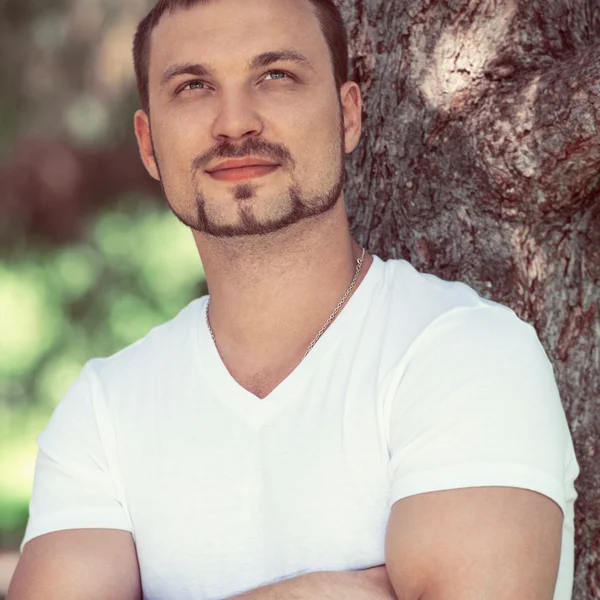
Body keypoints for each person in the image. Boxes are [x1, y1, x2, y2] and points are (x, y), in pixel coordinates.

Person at [8, 0, 579, 598]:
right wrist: (339, 590)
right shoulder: (104, 410)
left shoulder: (465, 355)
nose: (234, 122)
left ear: (348, 114)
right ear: (149, 145)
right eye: (193, 85)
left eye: (275, 76)